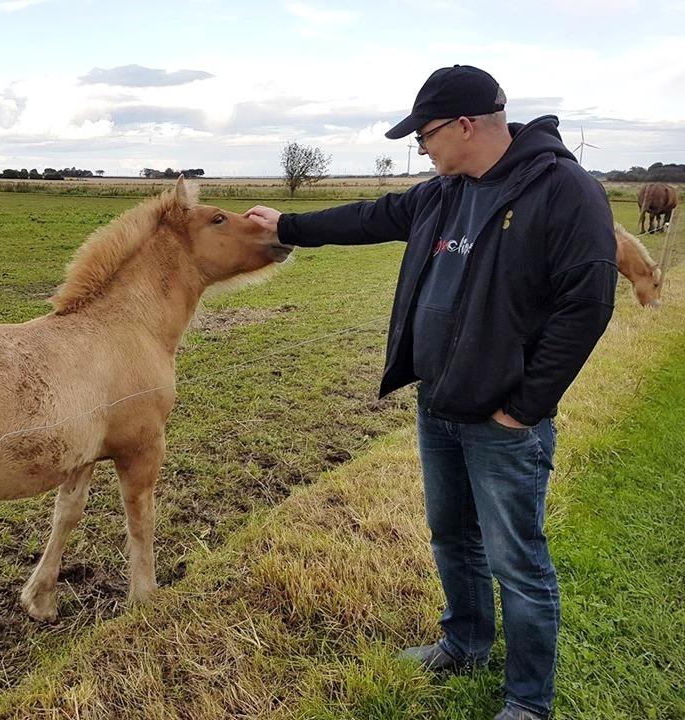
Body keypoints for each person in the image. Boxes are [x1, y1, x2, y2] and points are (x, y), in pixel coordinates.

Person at [245, 65, 617, 720]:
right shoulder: (444, 191)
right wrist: (290, 226)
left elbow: (585, 308)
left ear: (468, 125)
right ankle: (465, 643)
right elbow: (373, 216)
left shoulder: (564, 190)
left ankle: (528, 702)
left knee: (517, 560)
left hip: (504, 422)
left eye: (425, 133)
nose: (421, 146)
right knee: (451, 536)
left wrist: (525, 406)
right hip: (438, 405)